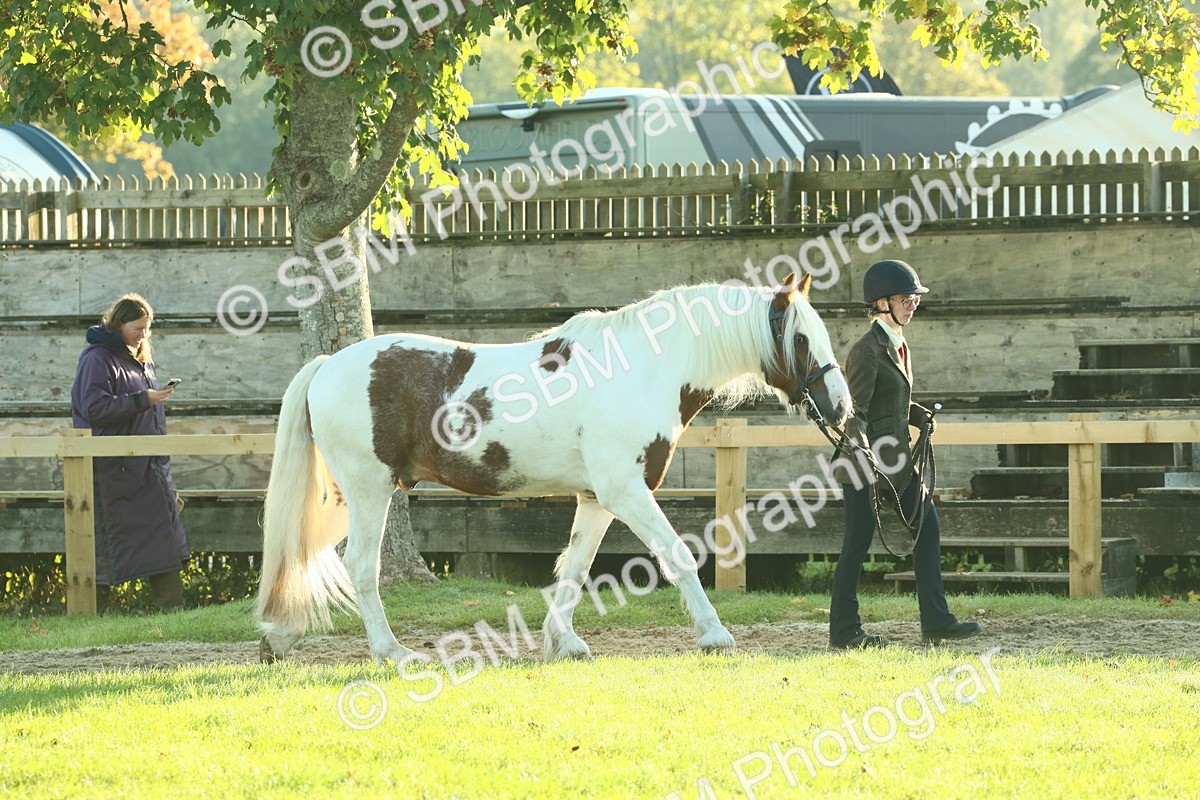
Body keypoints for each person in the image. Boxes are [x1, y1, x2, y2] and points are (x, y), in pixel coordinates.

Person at [829, 260, 982, 648]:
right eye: (905, 298)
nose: (913, 304)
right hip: (866, 466)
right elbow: (855, 412)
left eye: (914, 298)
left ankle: (936, 621)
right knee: (856, 546)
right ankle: (844, 632)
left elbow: (888, 403)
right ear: (882, 303)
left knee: (927, 529)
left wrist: (916, 413)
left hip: (896, 461)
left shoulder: (897, 343)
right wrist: (865, 456)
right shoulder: (866, 350)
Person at [70, 293, 188, 612]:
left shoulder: (141, 358)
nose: (143, 335)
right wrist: (142, 400)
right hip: (113, 470)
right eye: (138, 328)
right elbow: (93, 407)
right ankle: (94, 610)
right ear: (119, 324)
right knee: (110, 541)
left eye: (147, 328)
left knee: (162, 534)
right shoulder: (96, 358)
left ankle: (172, 607)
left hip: (145, 466)